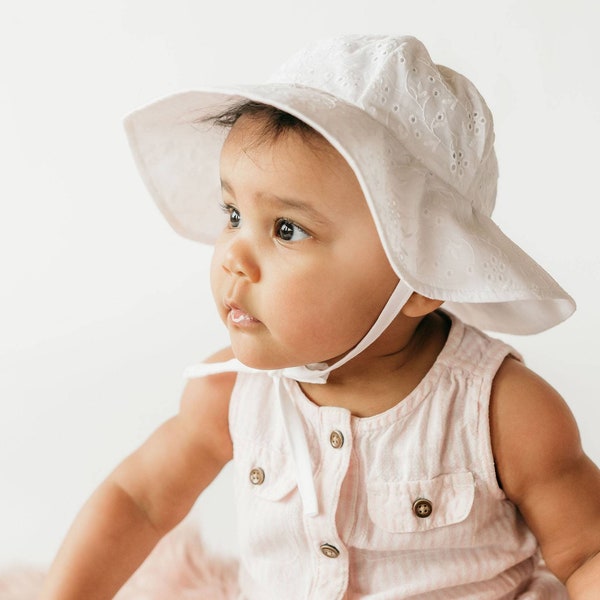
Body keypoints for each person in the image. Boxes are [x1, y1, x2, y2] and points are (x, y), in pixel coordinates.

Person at [39, 35, 600, 599]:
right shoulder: (233, 393)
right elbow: (139, 500)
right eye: (232, 214)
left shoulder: (503, 413)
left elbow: (587, 555)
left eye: (287, 229)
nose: (233, 255)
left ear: (423, 276)